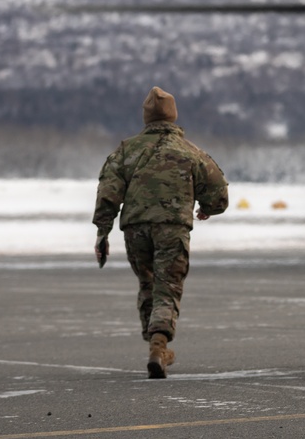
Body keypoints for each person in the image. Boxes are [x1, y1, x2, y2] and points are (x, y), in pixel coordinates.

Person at [92, 86, 228, 379]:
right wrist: (207, 208)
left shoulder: (127, 150)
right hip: (173, 228)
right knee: (167, 288)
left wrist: (103, 233)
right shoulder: (189, 151)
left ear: (146, 117)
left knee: (148, 284)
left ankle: (154, 341)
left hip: (135, 229)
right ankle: (159, 345)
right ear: (173, 115)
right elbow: (218, 191)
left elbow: (108, 193)